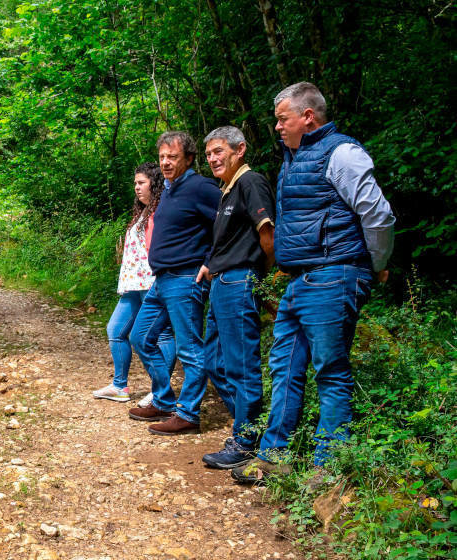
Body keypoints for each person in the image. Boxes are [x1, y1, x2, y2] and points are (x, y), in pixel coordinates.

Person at [233, 82, 395, 484]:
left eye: (282, 118)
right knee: (285, 367)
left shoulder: (342, 152)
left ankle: (329, 465)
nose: (276, 127)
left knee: (330, 371)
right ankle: (274, 456)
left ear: (308, 117)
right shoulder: (294, 158)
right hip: (301, 281)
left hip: (335, 274)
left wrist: (377, 263)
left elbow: (378, 213)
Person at [127, 131, 221, 435]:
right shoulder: (167, 189)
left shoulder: (201, 187)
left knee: (190, 350)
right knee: (140, 338)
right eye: (162, 157)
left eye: (173, 157)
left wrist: (210, 261)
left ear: (190, 159)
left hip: (186, 278)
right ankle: (164, 399)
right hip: (162, 279)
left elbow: (226, 225)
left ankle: (189, 414)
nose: (166, 163)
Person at [194, 126, 276, 470]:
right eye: (209, 153)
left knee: (242, 367)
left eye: (219, 151)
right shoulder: (226, 190)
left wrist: (266, 280)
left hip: (241, 280)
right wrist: (209, 265)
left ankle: (245, 440)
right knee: (213, 361)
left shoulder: (250, 182)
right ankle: (249, 425)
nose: (213, 158)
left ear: (239, 150)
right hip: (221, 281)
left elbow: (267, 234)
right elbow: (230, 240)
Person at [91, 163, 177, 403]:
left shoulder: (161, 210)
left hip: (151, 281)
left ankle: (160, 391)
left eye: (142, 183)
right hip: (132, 283)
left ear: (155, 184)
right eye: (135, 184)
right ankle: (120, 386)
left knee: (162, 336)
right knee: (116, 330)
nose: (137, 188)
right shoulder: (143, 212)